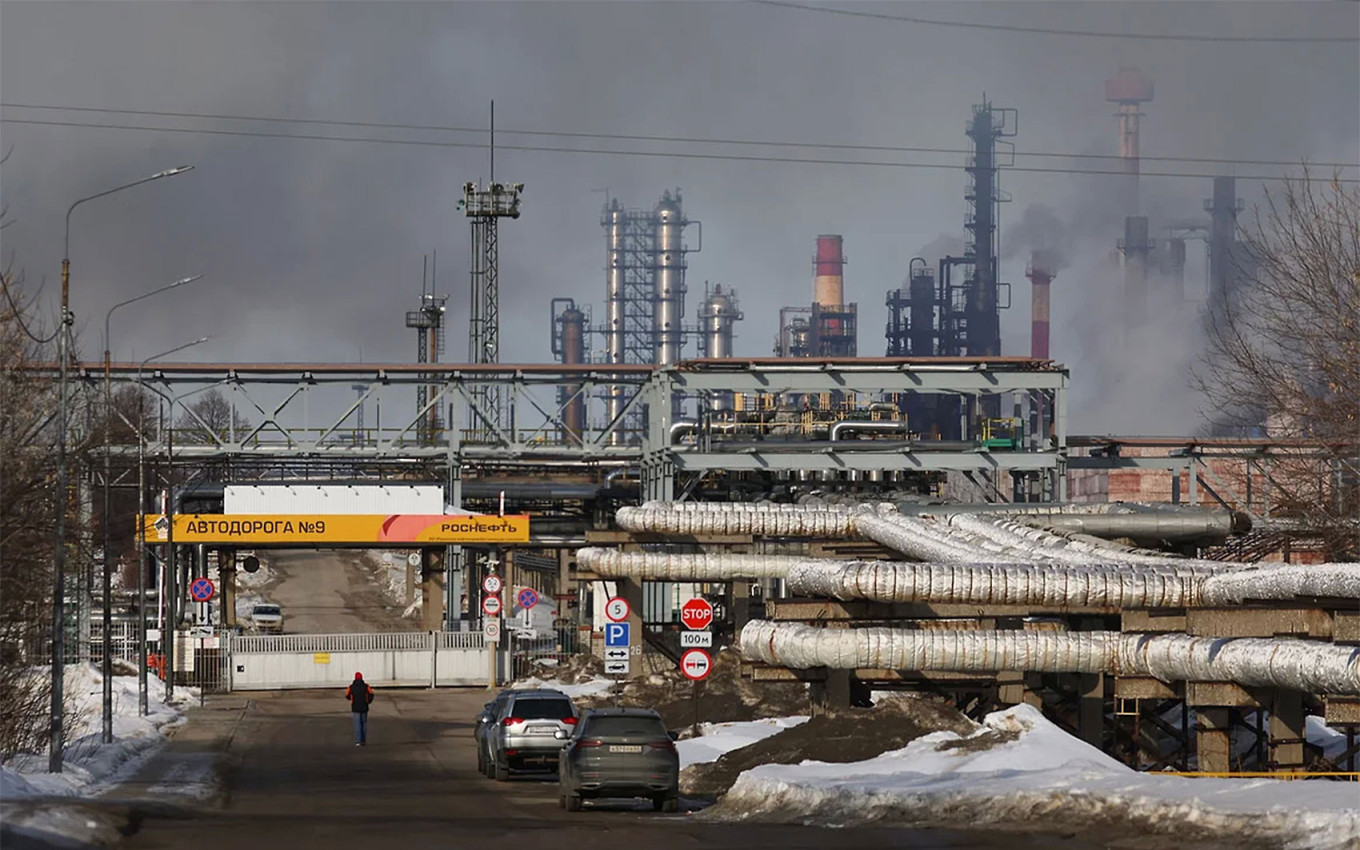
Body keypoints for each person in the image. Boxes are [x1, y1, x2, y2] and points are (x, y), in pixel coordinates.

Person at [346, 671, 375, 746]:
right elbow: (371, 694)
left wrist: (352, 699)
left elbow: (347, 695)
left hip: (355, 708)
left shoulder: (351, 686)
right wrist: (368, 701)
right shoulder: (366, 686)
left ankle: (358, 741)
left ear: (355, 678)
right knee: (364, 724)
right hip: (364, 707)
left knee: (357, 725)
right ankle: (363, 740)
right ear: (362, 678)